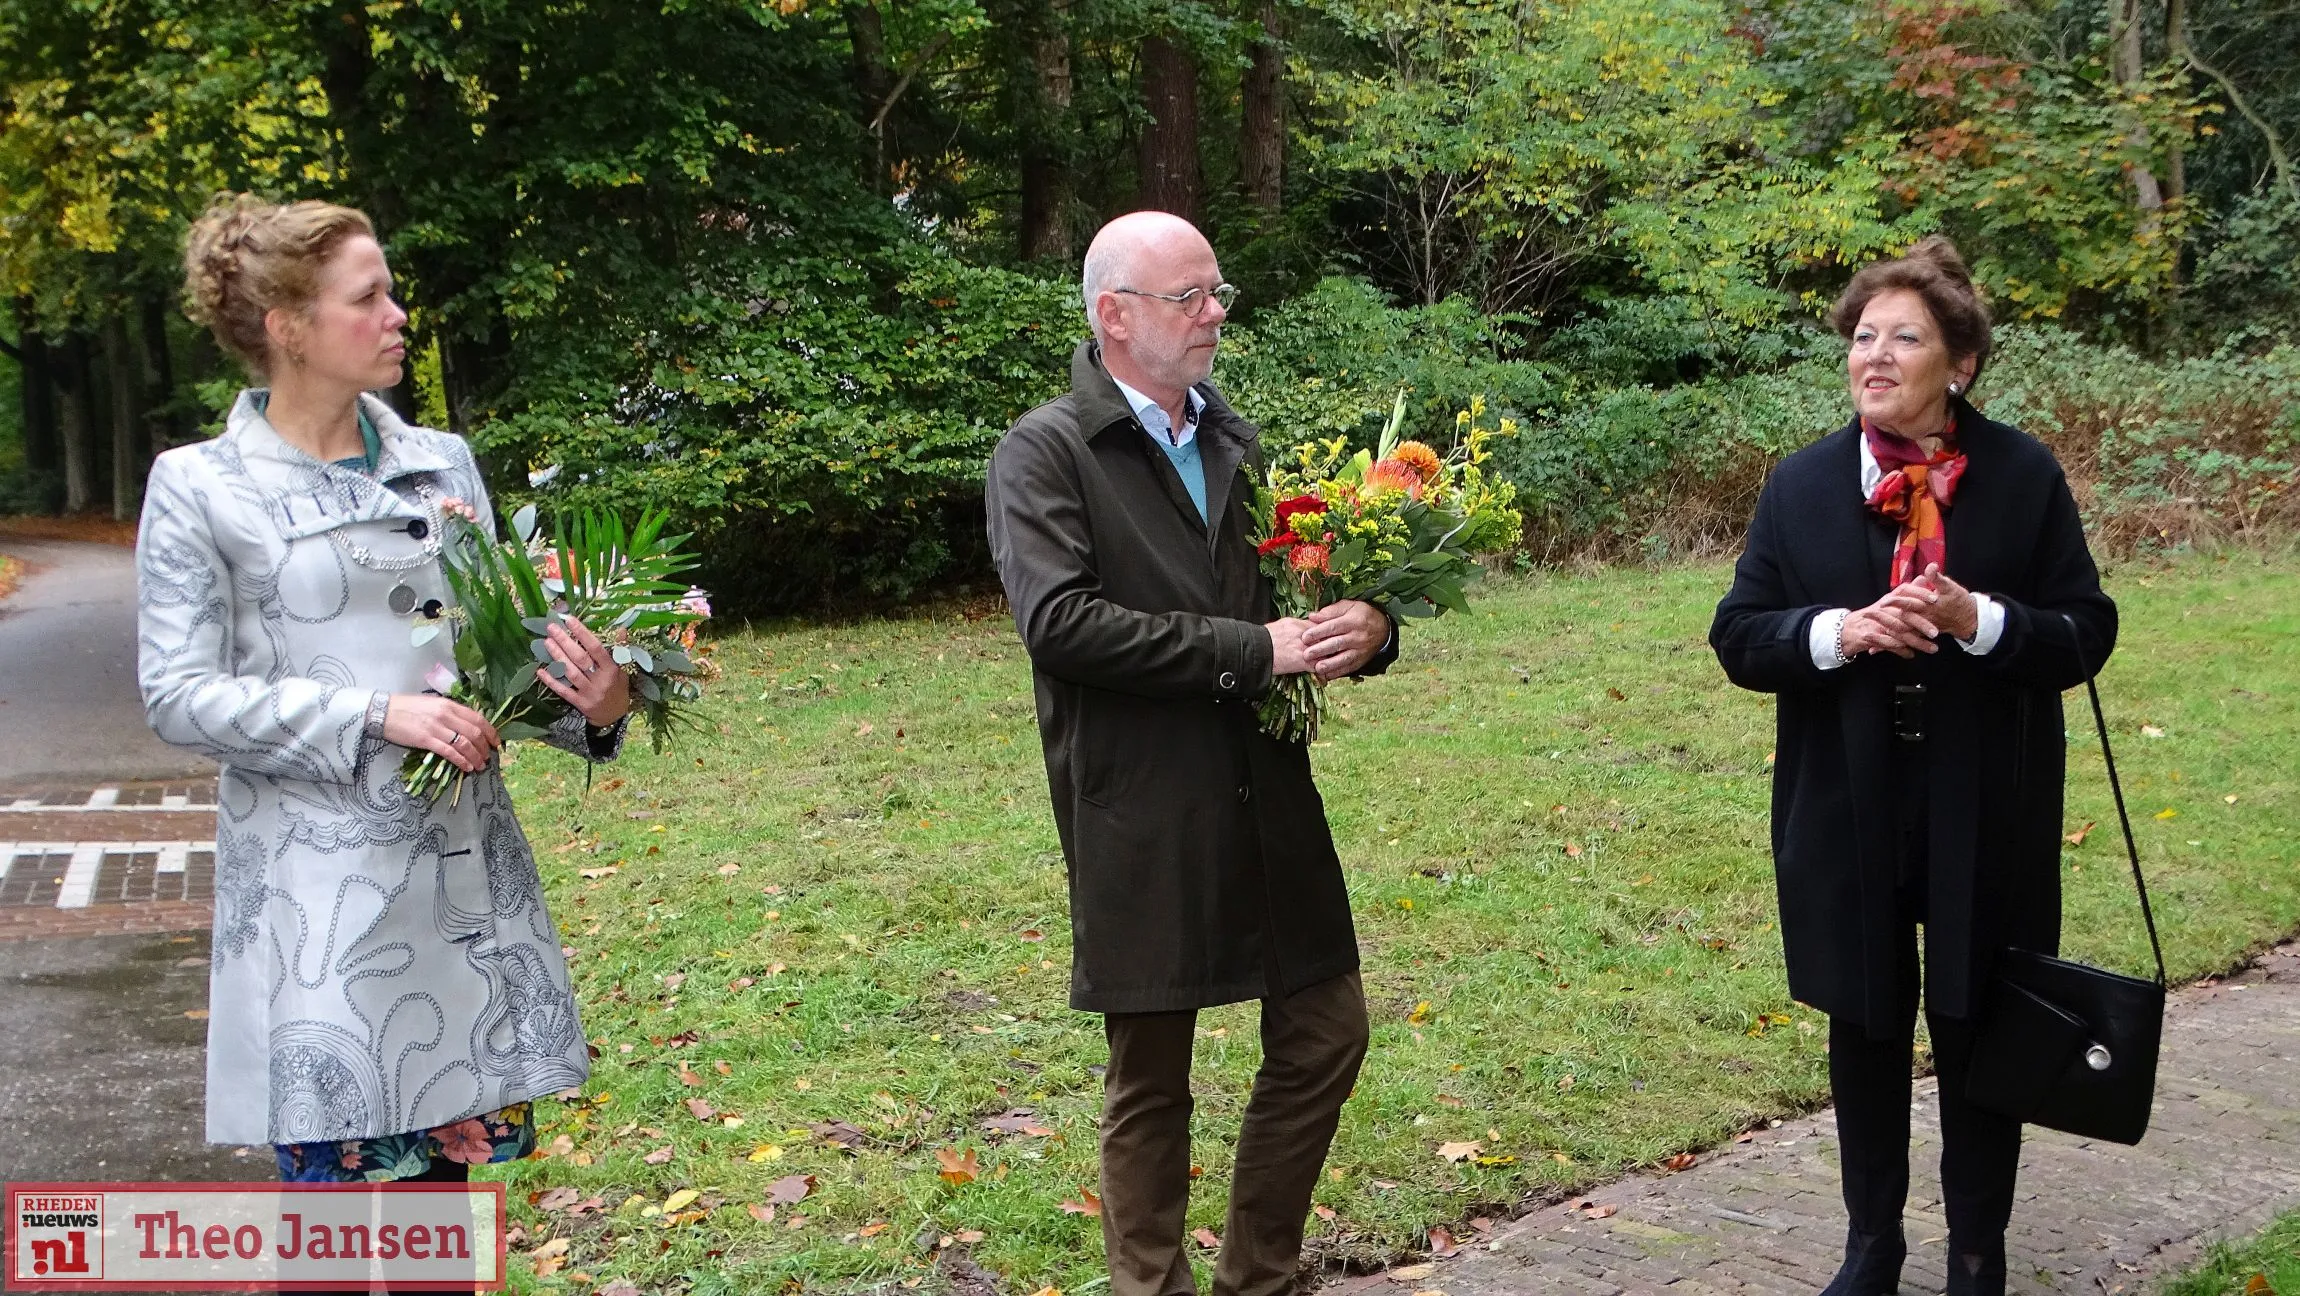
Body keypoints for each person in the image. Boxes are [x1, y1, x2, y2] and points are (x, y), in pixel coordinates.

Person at [140, 195, 630, 1194]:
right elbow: (178, 695)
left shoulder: (438, 464)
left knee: (435, 1226)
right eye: (367, 298)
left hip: (453, 891)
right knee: (332, 1235)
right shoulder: (203, 487)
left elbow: (500, 661)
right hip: (317, 914)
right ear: (288, 329)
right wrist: (372, 714)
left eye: (391, 291)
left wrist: (597, 703)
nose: (397, 313)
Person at [985, 211, 1399, 1296]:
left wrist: (1363, 626)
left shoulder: (1232, 438)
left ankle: (1257, 1276)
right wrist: (1248, 651)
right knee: (1151, 1081)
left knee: (1325, 1032)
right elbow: (1061, 624)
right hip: (1138, 805)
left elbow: (1287, 596)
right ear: (1113, 316)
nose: (1214, 314)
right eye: (1189, 297)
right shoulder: (1046, 452)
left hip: (1264, 791)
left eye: (1216, 295)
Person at [1709, 236, 2117, 1296]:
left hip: (1986, 799)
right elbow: (1738, 637)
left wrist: (1976, 619)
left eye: (1904, 337)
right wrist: (1842, 633)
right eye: (1860, 336)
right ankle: (1870, 1244)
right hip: (1846, 798)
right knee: (1865, 1014)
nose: (1873, 356)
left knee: (1979, 1013)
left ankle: (1975, 1253)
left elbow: (2084, 630)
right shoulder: (1799, 486)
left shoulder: (2020, 475)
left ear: (1960, 365)